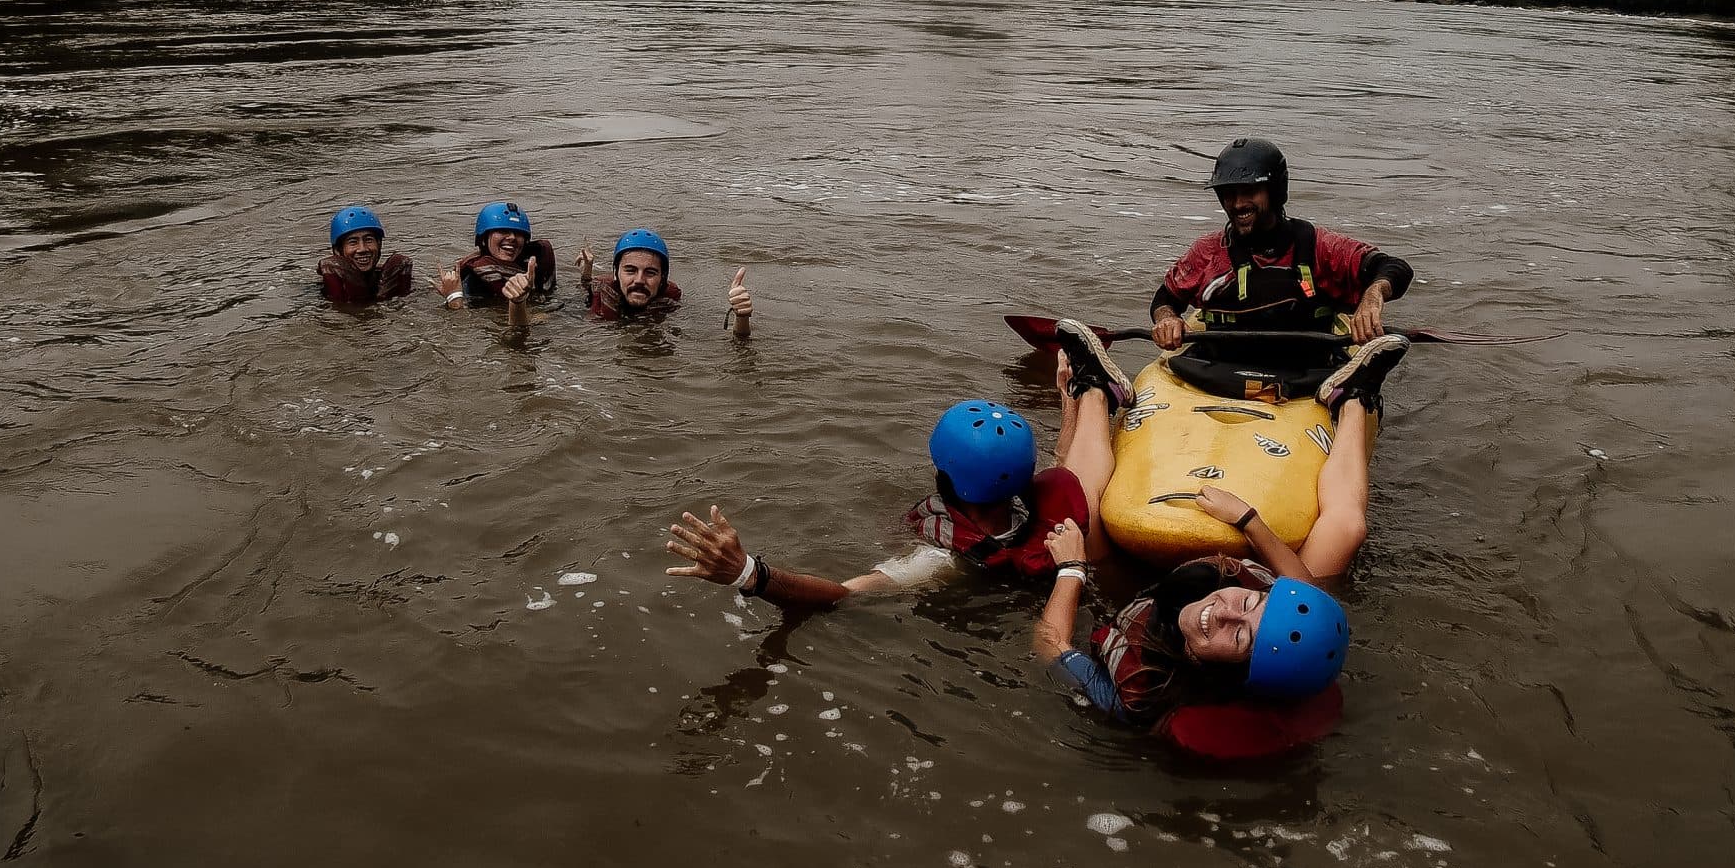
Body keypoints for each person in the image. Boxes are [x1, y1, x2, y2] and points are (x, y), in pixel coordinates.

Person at [663, 323, 1131, 606]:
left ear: (943, 476)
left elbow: (844, 593)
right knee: (1081, 493)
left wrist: (749, 572)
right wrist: (1065, 402)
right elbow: (1062, 468)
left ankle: (1091, 390)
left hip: (1009, 584)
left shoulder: (940, 559)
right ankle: (1090, 391)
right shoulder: (1040, 511)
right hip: (1084, 562)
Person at [1032, 486, 1351, 742]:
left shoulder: (1142, 694)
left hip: (1120, 597)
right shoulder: (1255, 594)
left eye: (1240, 636)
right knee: (1349, 529)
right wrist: (1248, 519)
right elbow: (1305, 590)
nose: (1224, 613)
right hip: (1170, 590)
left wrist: (1072, 568)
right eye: (1247, 603)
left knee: (1085, 507)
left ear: (1230, 674)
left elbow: (1049, 644)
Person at [1150, 137, 1413, 408]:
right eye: (1229, 193)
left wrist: (1372, 296)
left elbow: (1393, 267)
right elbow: (1165, 298)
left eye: (1249, 191)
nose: (1238, 204)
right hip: (1218, 372)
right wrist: (1167, 319)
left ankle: (1351, 391)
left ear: (1275, 191)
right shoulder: (1208, 251)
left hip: (1307, 377)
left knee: (1354, 399)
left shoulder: (1318, 246)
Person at [576, 228, 756, 338]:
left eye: (650, 272)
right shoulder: (600, 292)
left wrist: (742, 316)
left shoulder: (671, 304)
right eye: (630, 270)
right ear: (616, 274)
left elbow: (729, 341)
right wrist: (586, 274)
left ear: (663, 278)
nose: (639, 280)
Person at [438, 203, 556, 331]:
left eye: (518, 233)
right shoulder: (472, 279)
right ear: (484, 239)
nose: (512, 237)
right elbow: (463, 329)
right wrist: (454, 298)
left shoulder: (533, 269)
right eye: (502, 231)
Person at [317, 205, 413, 303]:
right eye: (353, 242)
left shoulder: (395, 277)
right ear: (337, 250)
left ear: (379, 244)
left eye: (368, 240)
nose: (362, 249)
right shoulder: (320, 290)